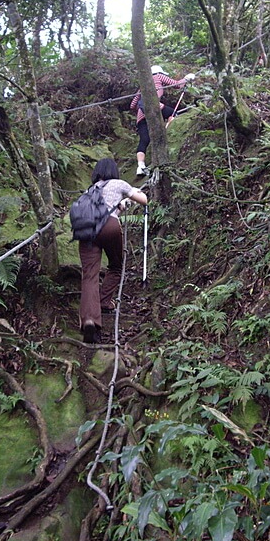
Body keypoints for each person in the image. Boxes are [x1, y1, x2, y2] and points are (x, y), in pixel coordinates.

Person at [79, 157, 148, 343]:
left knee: (89, 275)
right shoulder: (119, 184)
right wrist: (130, 197)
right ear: (113, 171)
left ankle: (90, 320)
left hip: (85, 230)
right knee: (116, 266)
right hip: (109, 227)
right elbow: (144, 200)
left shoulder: (90, 190)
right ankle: (103, 301)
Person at [130, 65, 195, 176]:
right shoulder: (158, 76)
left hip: (141, 115)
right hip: (154, 107)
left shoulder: (143, 85)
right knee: (173, 113)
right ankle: (166, 131)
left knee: (144, 140)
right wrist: (187, 78)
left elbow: (132, 105)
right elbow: (177, 85)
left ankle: (140, 166)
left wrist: (143, 109)